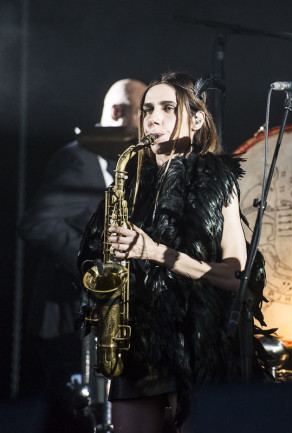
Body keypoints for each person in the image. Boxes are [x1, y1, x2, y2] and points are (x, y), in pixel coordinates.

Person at [78, 72, 256, 432]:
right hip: (137, 345)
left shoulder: (216, 180)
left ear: (196, 119)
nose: (153, 118)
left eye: (167, 108)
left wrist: (156, 251)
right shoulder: (128, 183)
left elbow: (237, 278)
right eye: (147, 110)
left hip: (193, 343)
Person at [17, 78, 146, 429]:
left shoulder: (124, 165)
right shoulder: (77, 157)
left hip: (101, 322)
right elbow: (38, 224)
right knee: (72, 419)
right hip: (67, 320)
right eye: (144, 113)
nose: (149, 126)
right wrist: (94, 269)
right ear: (118, 112)